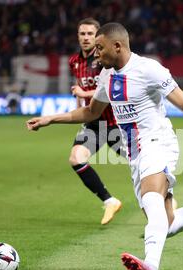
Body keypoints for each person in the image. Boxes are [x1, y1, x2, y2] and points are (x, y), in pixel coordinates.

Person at [26, 22, 183, 270]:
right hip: (135, 154)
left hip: (159, 144)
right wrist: (51, 119)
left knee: (151, 198)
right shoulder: (106, 76)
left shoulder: (149, 70)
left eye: (100, 48)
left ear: (117, 46)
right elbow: (90, 113)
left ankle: (151, 268)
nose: (96, 54)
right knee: (167, 224)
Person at [68, 18, 123, 225]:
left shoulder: (105, 59)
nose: (85, 38)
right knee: (76, 158)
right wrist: (79, 105)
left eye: (90, 34)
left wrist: (84, 91)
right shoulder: (74, 61)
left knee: (141, 163)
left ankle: (166, 196)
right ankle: (110, 200)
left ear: (98, 36)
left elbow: (110, 88)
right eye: (82, 34)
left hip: (115, 122)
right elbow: (79, 87)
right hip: (94, 124)